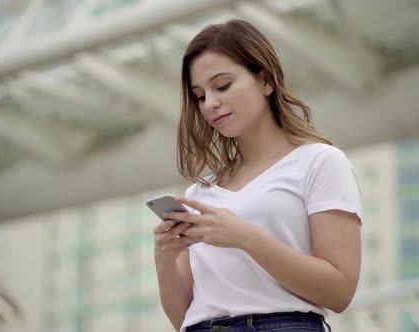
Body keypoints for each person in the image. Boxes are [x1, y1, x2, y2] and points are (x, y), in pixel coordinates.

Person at [153, 19, 362, 332]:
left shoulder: (319, 163)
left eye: (222, 86)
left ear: (265, 80)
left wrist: (245, 237)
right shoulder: (199, 195)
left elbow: (339, 291)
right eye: (200, 95)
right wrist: (164, 259)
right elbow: (182, 317)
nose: (211, 103)